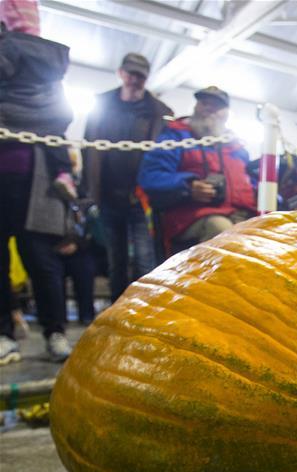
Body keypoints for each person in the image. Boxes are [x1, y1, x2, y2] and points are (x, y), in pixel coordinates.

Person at [0, 0, 76, 363]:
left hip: (36, 181)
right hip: (27, 176)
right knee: (37, 261)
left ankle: (52, 331)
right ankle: (14, 333)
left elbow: (59, 122)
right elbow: (60, 120)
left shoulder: (34, 69)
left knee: (41, 260)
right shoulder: (50, 75)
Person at [82, 52, 172, 302]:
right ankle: (116, 311)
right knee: (116, 260)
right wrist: (88, 192)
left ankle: (141, 311)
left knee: (145, 260)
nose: (135, 79)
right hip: (108, 195)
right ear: (121, 73)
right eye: (131, 73)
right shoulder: (101, 106)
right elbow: (87, 150)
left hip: (142, 199)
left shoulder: (160, 113)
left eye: (140, 75)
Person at [138, 86, 256, 257]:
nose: (209, 108)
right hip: (192, 216)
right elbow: (150, 176)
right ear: (195, 106)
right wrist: (188, 185)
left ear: (226, 113)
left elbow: (251, 182)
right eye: (204, 103)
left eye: (216, 105)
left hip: (241, 215)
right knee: (220, 230)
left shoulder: (237, 148)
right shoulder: (175, 137)